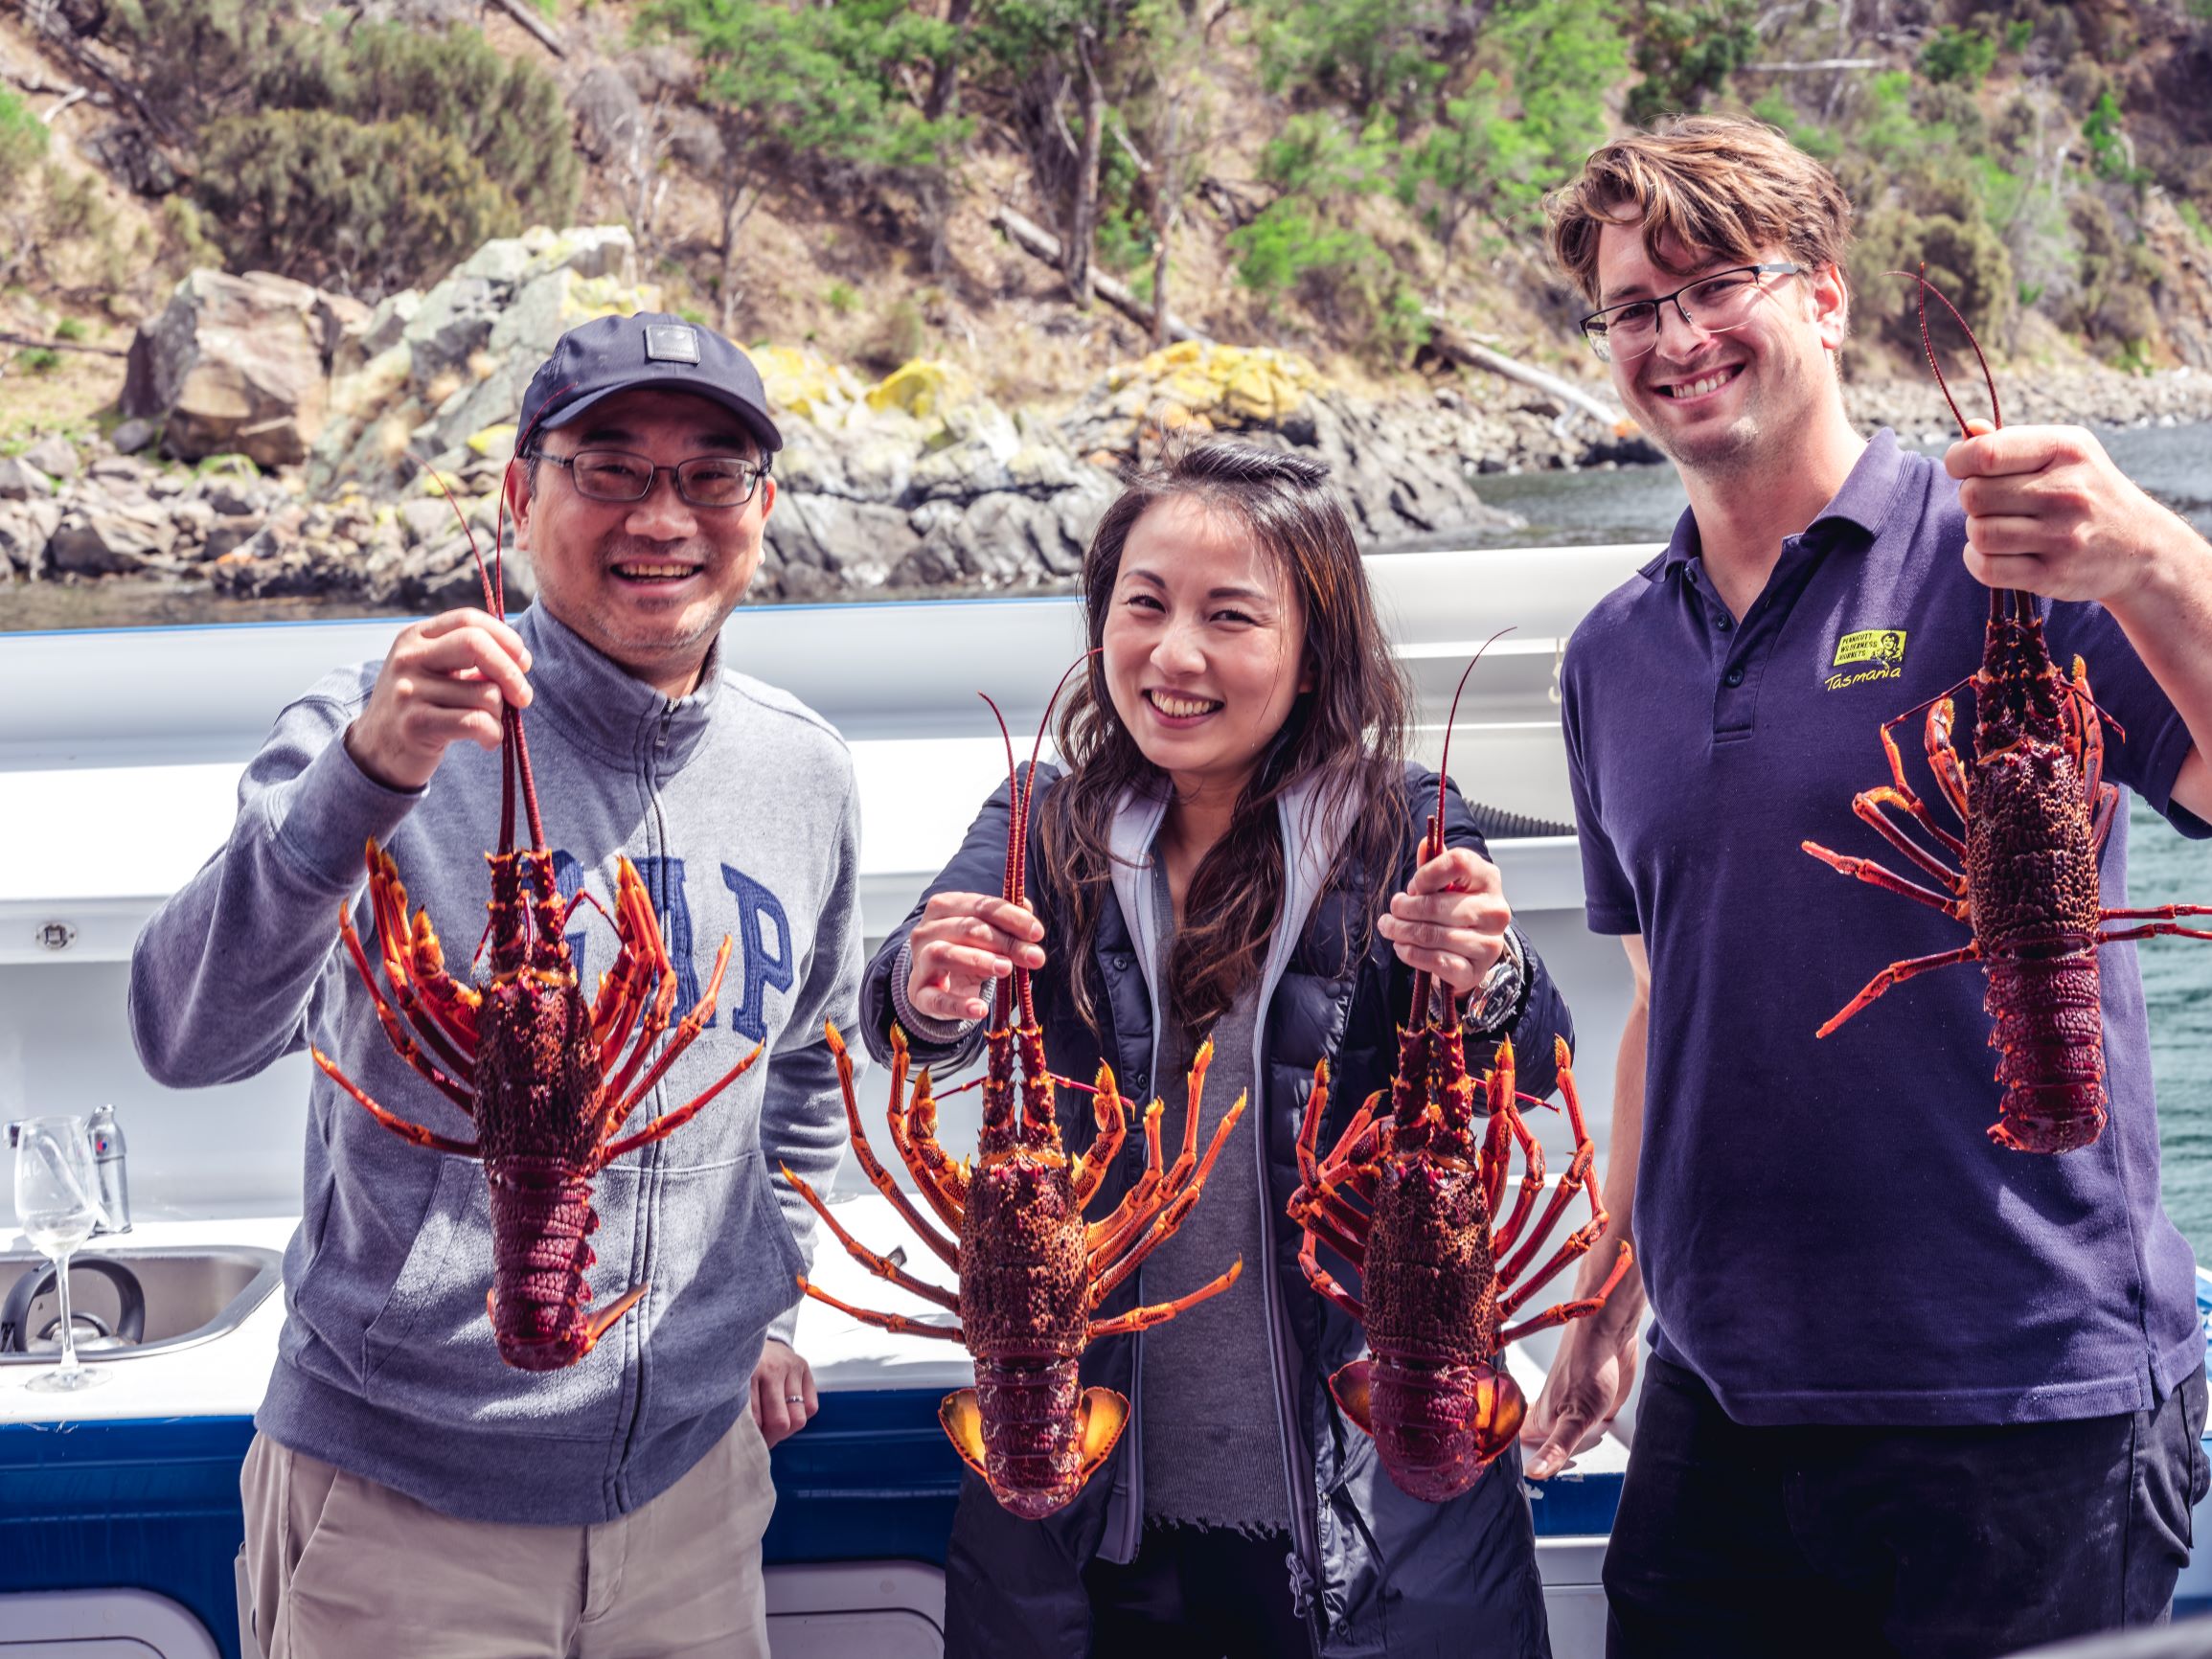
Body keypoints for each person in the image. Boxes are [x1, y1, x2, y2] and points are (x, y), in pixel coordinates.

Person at [1524, 114, 2212, 1656]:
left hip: (2021, 1400)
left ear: (1824, 297)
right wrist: (1604, 1299)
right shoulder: (1611, 655)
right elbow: (1664, 1006)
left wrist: (2156, 559)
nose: (1677, 336)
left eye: (1716, 285)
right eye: (1635, 309)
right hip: (1722, 1402)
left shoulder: (2027, 552)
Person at [129, 312, 865, 1658]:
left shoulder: (804, 771)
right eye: (609, 468)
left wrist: (771, 1297)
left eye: (711, 473)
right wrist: (367, 779)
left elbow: (805, 1056)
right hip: (404, 1510)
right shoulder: (373, 727)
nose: (665, 515)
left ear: (761, 505)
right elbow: (188, 1034)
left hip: (693, 1497)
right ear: (520, 492)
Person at [858, 438, 1579, 1658]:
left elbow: (1535, 1044)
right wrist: (931, 992)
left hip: (1363, 1504)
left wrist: (1491, 969)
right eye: (1142, 605)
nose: (1173, 654)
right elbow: (901, 1014)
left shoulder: (1401, 819)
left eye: (1228, 616)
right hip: (1091, 1506)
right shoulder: (1039, 817)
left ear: (1311, 655)